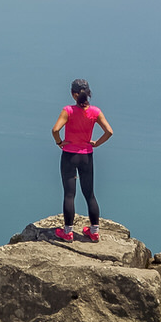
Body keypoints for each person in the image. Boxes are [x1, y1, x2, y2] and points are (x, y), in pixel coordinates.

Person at [48, 78, 111, 242]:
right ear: (88, 93)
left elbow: (55, 130)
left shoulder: (68, 110)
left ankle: (68, 232)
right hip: (86, 156)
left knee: (69, 194)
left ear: (73, 94)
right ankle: (94, 232)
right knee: (90, 194)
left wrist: (59, 142)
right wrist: (96, 143)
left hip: (69, 155)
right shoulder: (95, 112)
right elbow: (109, 132)